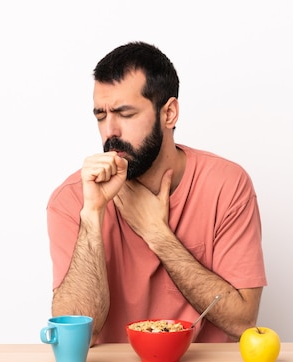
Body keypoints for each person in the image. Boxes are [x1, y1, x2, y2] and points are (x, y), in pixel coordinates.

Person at [46, 41, 267, 345]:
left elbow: (243, 322)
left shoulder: (227, 185)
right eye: (100, 115)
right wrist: (92, 215)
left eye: (125, 113)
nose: (110, 130)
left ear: (169, 114)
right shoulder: (72, 199)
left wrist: (157, 235)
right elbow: (78, 335)